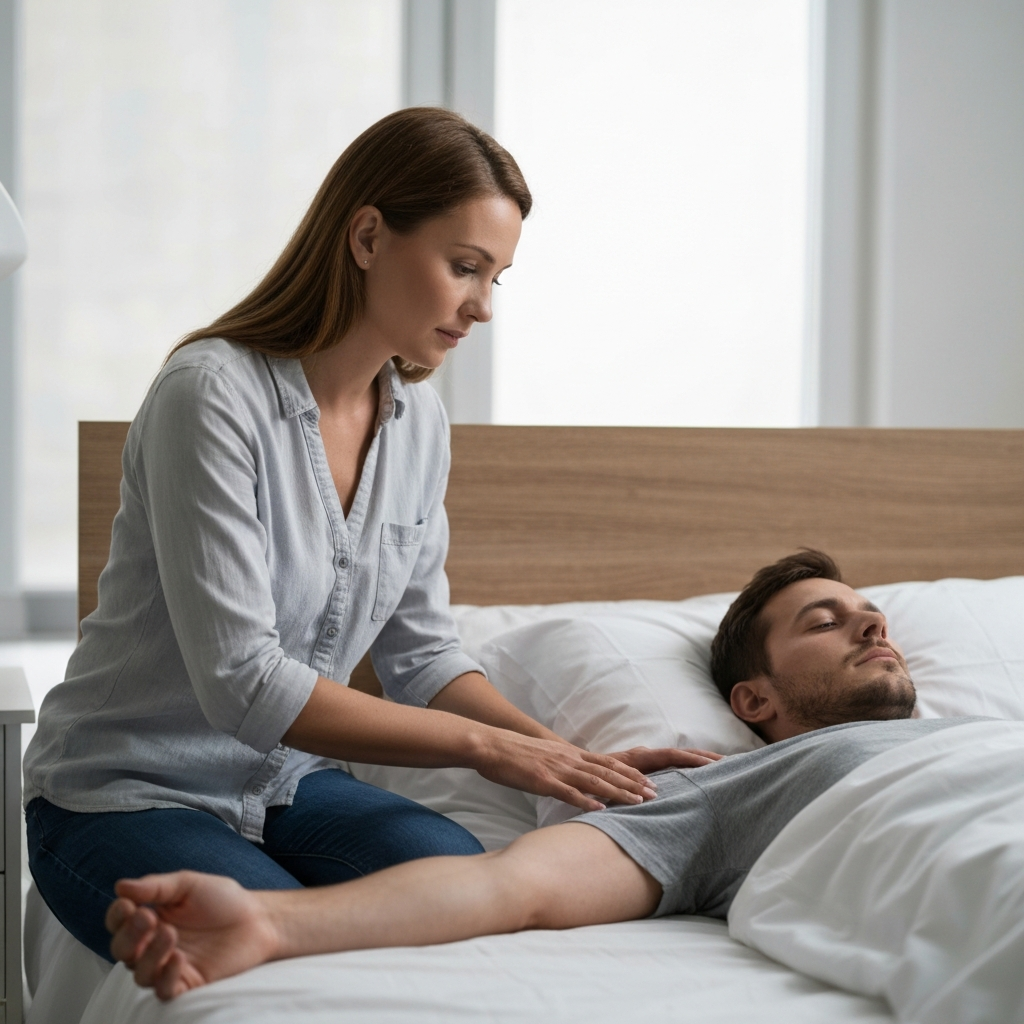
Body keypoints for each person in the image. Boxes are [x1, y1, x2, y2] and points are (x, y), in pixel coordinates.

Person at [25, 108, 714, 962]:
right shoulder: (209, 396)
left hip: (288, 787)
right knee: (276, 951)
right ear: (366, 237)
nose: (484, 307)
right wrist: (493, 751)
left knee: (466, 900)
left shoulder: (418, 424)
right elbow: (246, 684)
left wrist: (567, 759)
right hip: (130, 791)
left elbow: (421, 656)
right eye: (465, 267)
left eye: (497, 277)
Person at [107, 548, 987, 1001]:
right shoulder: (730, 787)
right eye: (827, 622)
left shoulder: (990, 735)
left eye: (874, 618)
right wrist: (267, 922)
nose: (873, 630)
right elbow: (513, 886)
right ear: (752, 700)